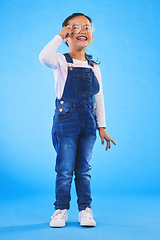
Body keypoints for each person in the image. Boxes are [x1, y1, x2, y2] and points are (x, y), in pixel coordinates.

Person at [39, 13, 116, 228]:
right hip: (66, 120)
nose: (81, 30)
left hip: (89, 122)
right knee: (65, 168)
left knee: (83, 169)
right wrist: (58, 36)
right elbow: (43, 57)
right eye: (74, 27)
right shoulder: (61, 61)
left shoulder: (94, 66)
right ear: (66, 34)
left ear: (92, 33)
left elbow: (98, 97)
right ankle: (60, 209)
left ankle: (85, 209)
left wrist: (102, 126)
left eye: (86, 26)